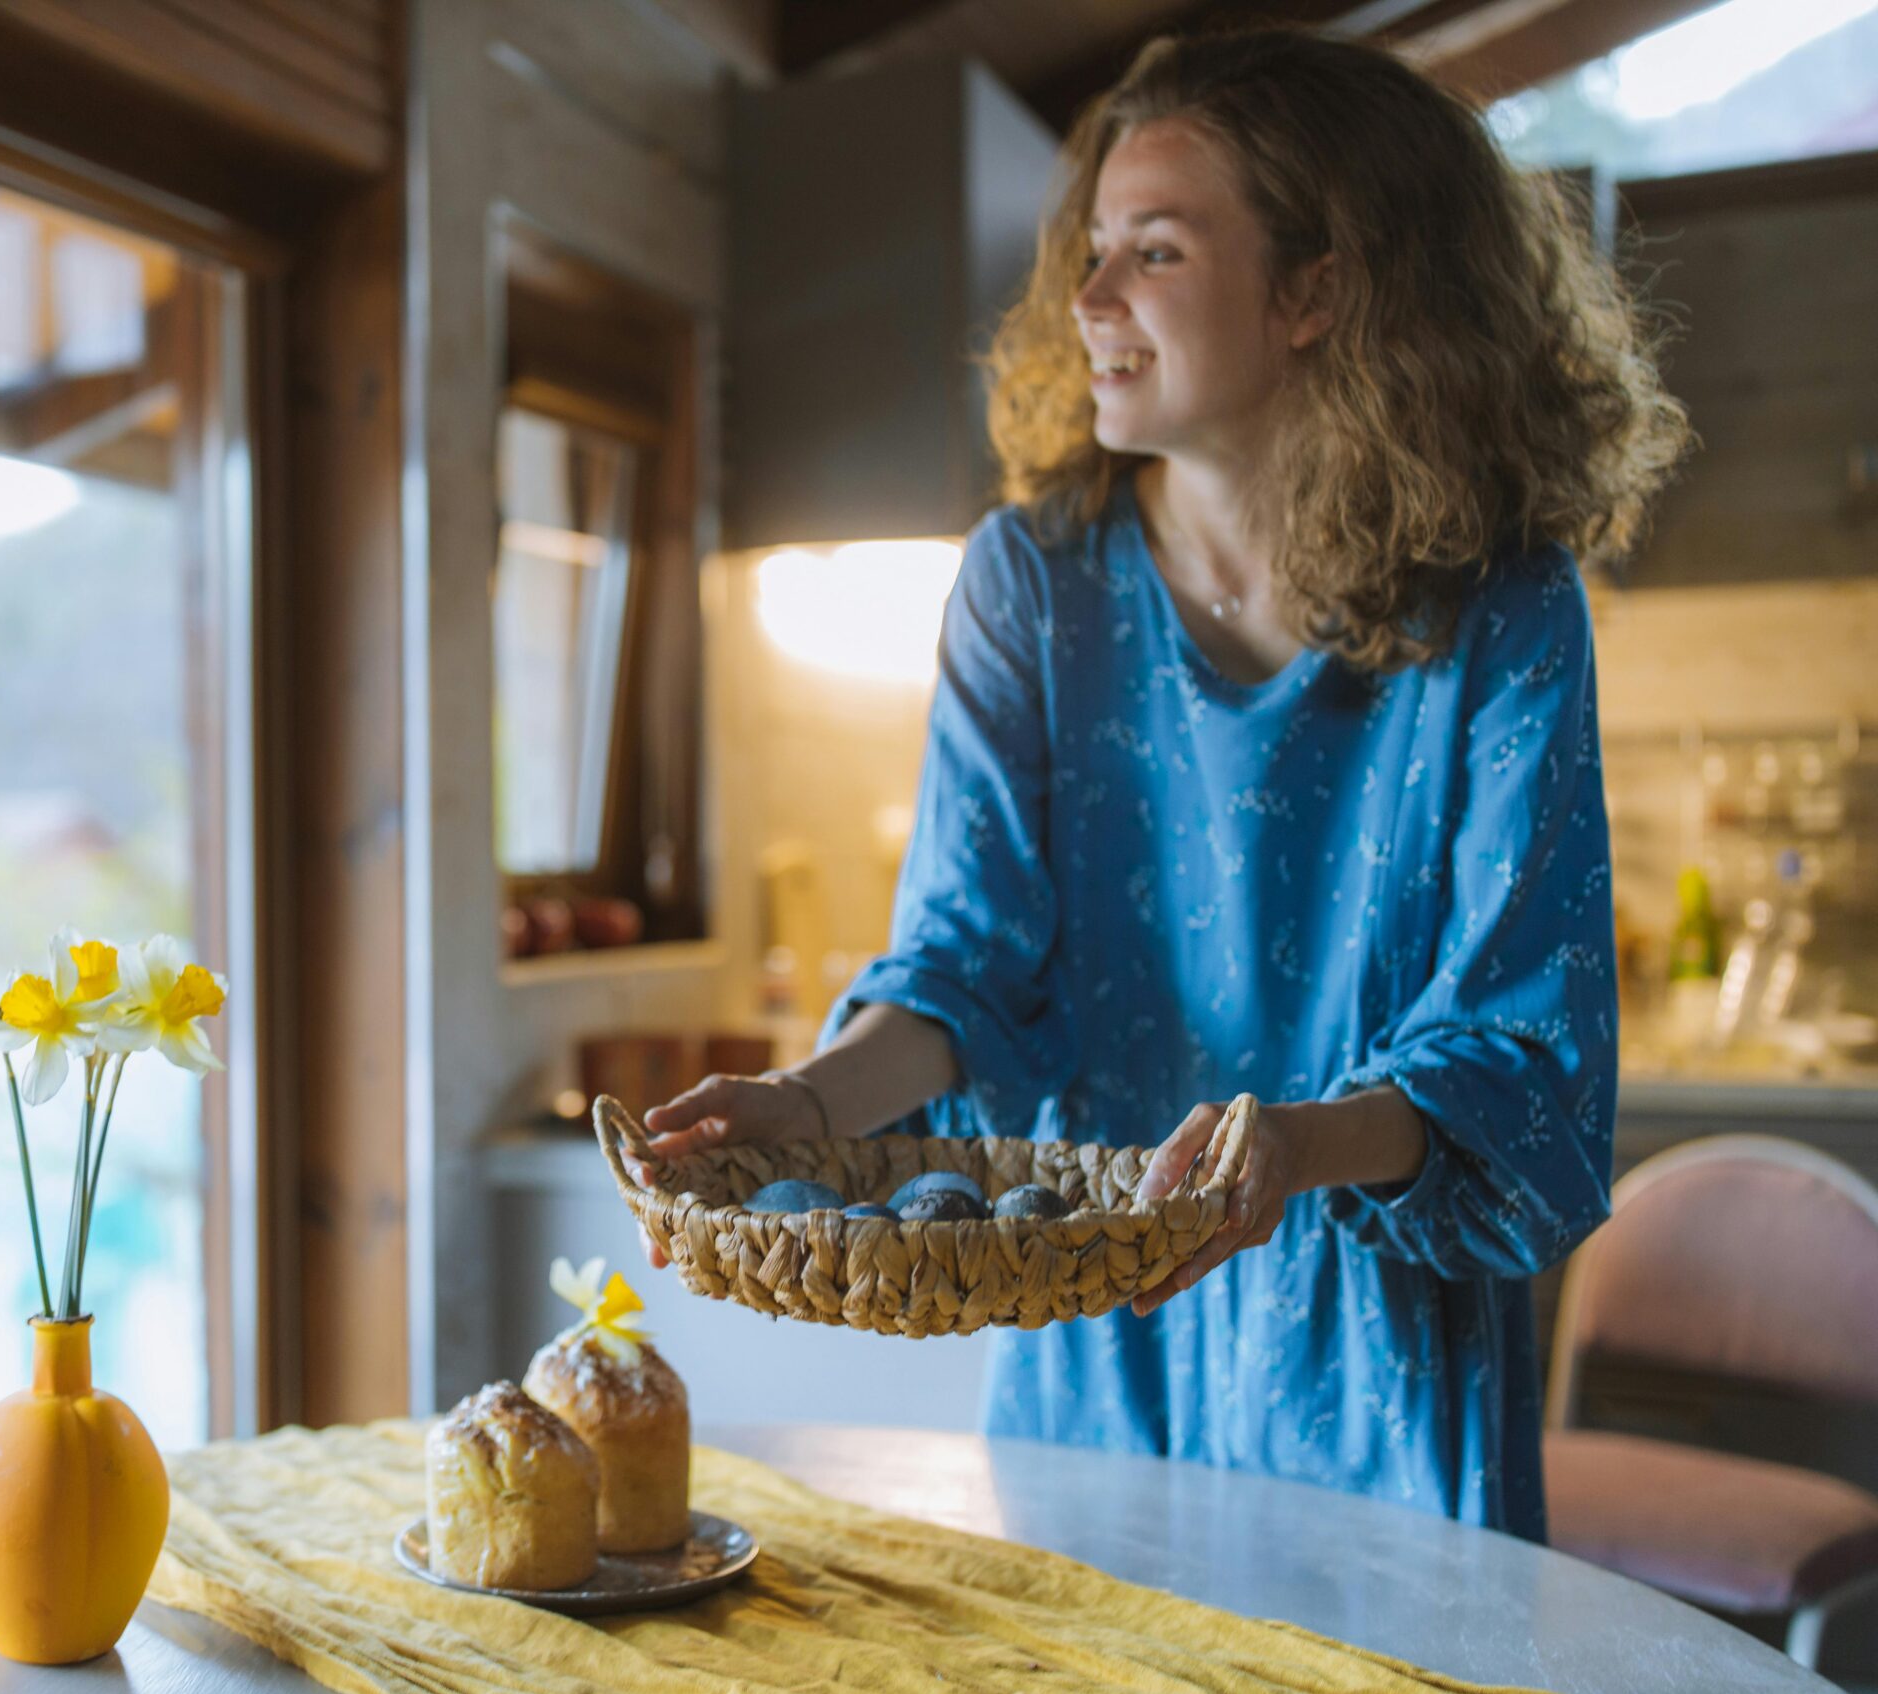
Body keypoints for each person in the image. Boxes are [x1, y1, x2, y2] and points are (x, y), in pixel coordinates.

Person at [641, 28, 1689, 1537]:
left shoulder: (1504, 606)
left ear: (1315, 290)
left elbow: (1524, 1056)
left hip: (1379, 1359)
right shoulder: (1030, 584)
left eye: (1156, 250)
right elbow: (964, 965)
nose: (1089, 297)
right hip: (1100, 1336)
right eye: (1094, 249)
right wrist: (801, 1105)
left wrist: (1298, 1147)